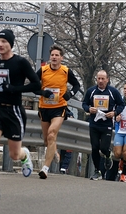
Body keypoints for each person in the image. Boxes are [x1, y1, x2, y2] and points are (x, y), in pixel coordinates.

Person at [0, 29, 41, 200]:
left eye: (4, 41)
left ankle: (24, 155)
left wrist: (15, 89)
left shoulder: (20, 63)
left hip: (14, 111)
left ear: (11, 44)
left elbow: (35, 84)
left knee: (14, 155)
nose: (0, 44)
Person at [35, 44, 81, 179]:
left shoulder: (66, 71)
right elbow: (33, 86)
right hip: (44, 108)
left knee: (51, 134)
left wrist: (70, 94)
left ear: (61, 58)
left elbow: (76, 85)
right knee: (46, 140)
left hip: (59, 108)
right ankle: (54, 150)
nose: (54, 57)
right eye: (52, 55)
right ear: (50, 57)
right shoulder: (43, 71)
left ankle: (45, 168)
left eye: (57, 55)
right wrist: (43, 92)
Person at [82, 70, 125, 180]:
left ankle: (107, 154)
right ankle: (97, 171)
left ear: (107, 79)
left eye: (102, 79)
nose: (100, 81)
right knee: (95, 147)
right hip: (94, 123)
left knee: (103, 147)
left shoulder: (113, 92)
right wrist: (88, 109)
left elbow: (121, 104)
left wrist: (114, 113)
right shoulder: (91, 91)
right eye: (98, 79)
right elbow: (84, 103)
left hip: (107, 124)